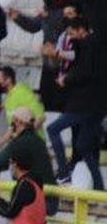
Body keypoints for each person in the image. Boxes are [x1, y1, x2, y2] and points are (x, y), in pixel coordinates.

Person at [43, 15, 103, 189]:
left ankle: (63, 173)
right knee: (84, 146)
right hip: (96, 106)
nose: (70, 38)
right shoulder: (94, 45)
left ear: (82, 30)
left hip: (85, 103)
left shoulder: (89, 46)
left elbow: (85, 72)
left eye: (72, 34)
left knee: (52, 129)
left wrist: (66, 79)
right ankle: (100, 189)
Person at [0, 65, 43, 133]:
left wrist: (27, 136)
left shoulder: (22, 92)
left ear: (8, 80)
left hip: (32, 141)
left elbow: (40, 117)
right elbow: (11, 128)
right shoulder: (8, 96)